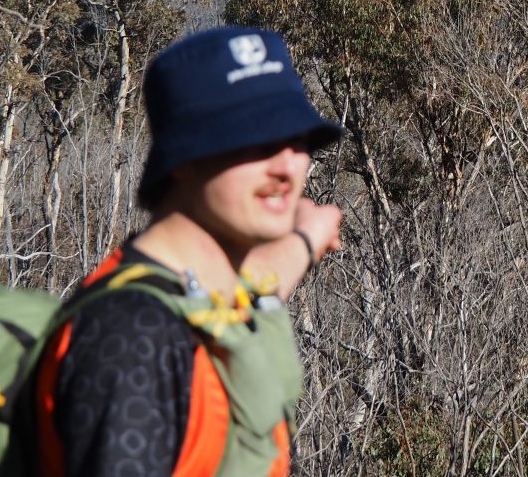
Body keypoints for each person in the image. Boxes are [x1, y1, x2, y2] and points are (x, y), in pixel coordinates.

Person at [30, 26, 343, 477]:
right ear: (182, 157)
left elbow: (260, 279)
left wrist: (307, 240)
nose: (287, 167)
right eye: (255, 140)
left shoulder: (205, 295)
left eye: (299, 141)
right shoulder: (134, 335)